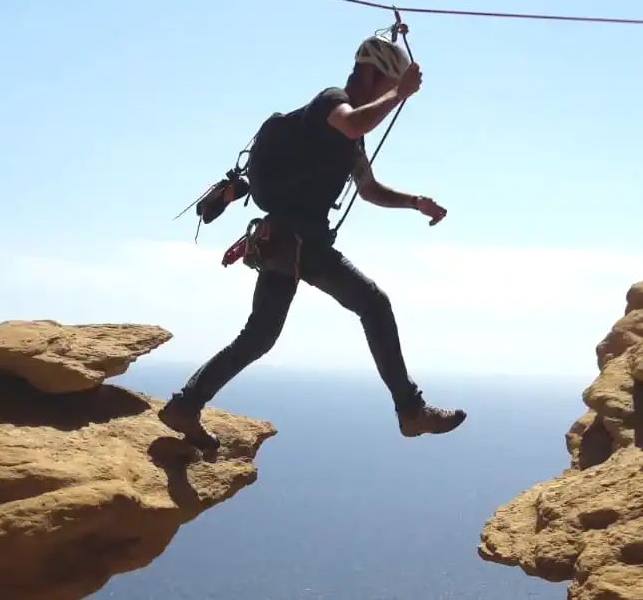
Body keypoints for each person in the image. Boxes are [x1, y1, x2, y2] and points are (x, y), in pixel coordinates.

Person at [158, 34, 467, 450]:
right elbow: (354, 121)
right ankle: (410, 412)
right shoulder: (332, 103)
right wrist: (401, 92)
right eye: (385, 83)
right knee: (373, 305)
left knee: (260, 336)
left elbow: (369, 188)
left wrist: (414, 202)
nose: (387, 93)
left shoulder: (350, 136)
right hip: (300, 240)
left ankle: (185, 405)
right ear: (372, 74)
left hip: (287, 241)